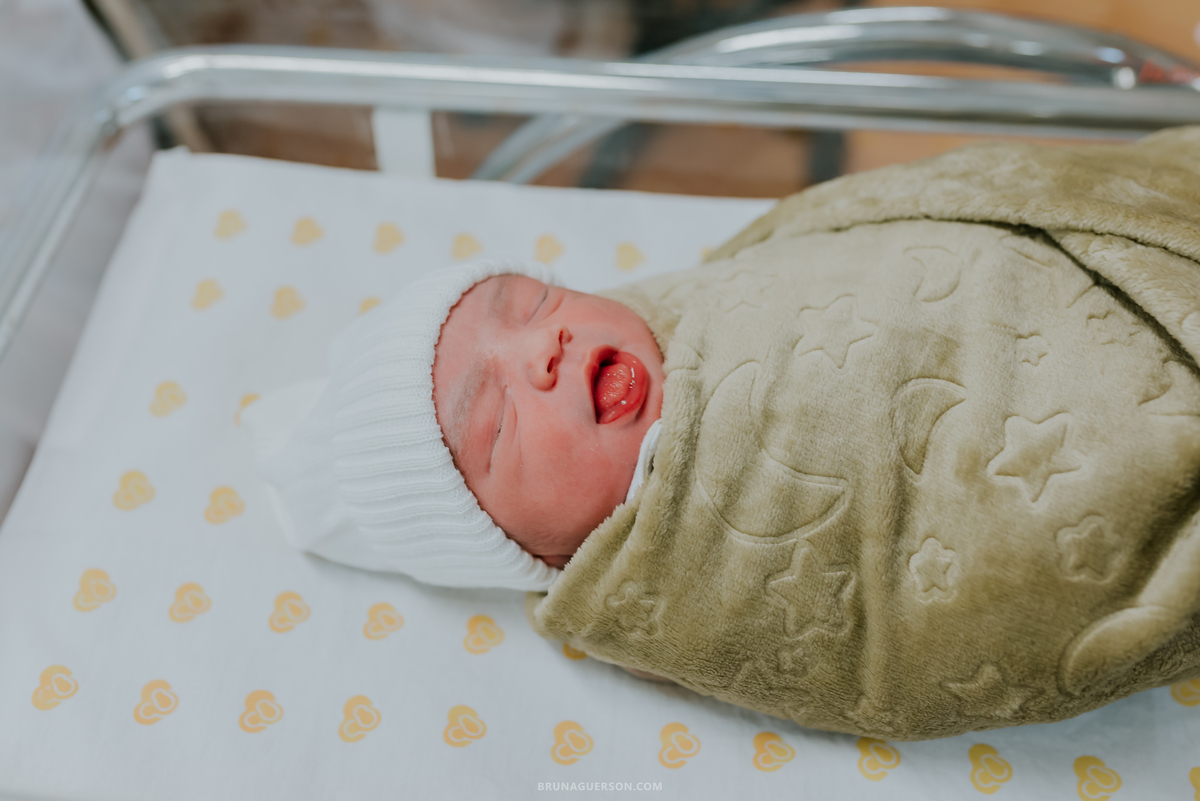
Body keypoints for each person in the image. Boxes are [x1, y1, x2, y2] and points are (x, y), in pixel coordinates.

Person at [249, 128, 1200, 740]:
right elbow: (889, 646)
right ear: (531, 551)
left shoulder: (694, 299)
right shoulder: (678, 585)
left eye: (533, 302)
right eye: (496, 420)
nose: (544, 348)